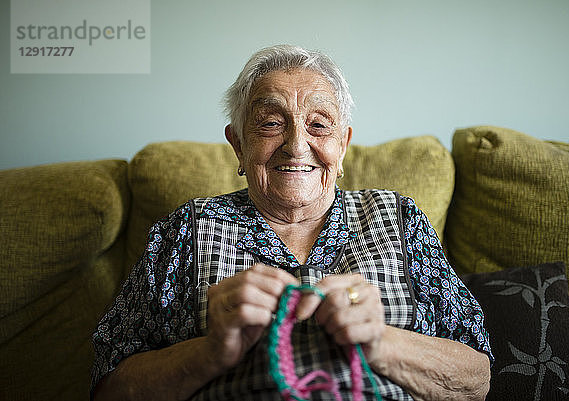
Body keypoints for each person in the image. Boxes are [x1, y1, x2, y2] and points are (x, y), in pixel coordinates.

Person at [91, 44, 492, 401]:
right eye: (270, 122)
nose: (297, 144)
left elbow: (477, 379)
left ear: (344, 144)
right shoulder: (187, 229)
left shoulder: (400, 219)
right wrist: (211, 351)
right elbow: (109, 385)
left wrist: (382, 342)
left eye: (318, 124)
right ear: (238, 143)